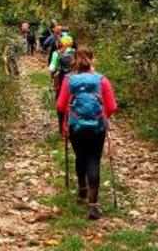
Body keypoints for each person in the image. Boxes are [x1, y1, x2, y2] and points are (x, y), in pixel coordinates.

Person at [56, 48, 117, 220]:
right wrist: (102, 116)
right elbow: (112, 107)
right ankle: (93, 205)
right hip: (97, 126)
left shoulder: (69, 80)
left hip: (76, 126)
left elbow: (60, 106)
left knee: (80, 156)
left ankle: (82, 188)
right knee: (94, 160)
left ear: (75, 60)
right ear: (92, 60)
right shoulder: (101, 79)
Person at [49, 34, 75, 130]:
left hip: (61, 80)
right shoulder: (75, 53)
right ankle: (72, 123)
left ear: (61, 43)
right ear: (71, 43)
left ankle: (61, 126)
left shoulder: (56, 53)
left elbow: (52, 68)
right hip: (75, 81)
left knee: (60, 102)